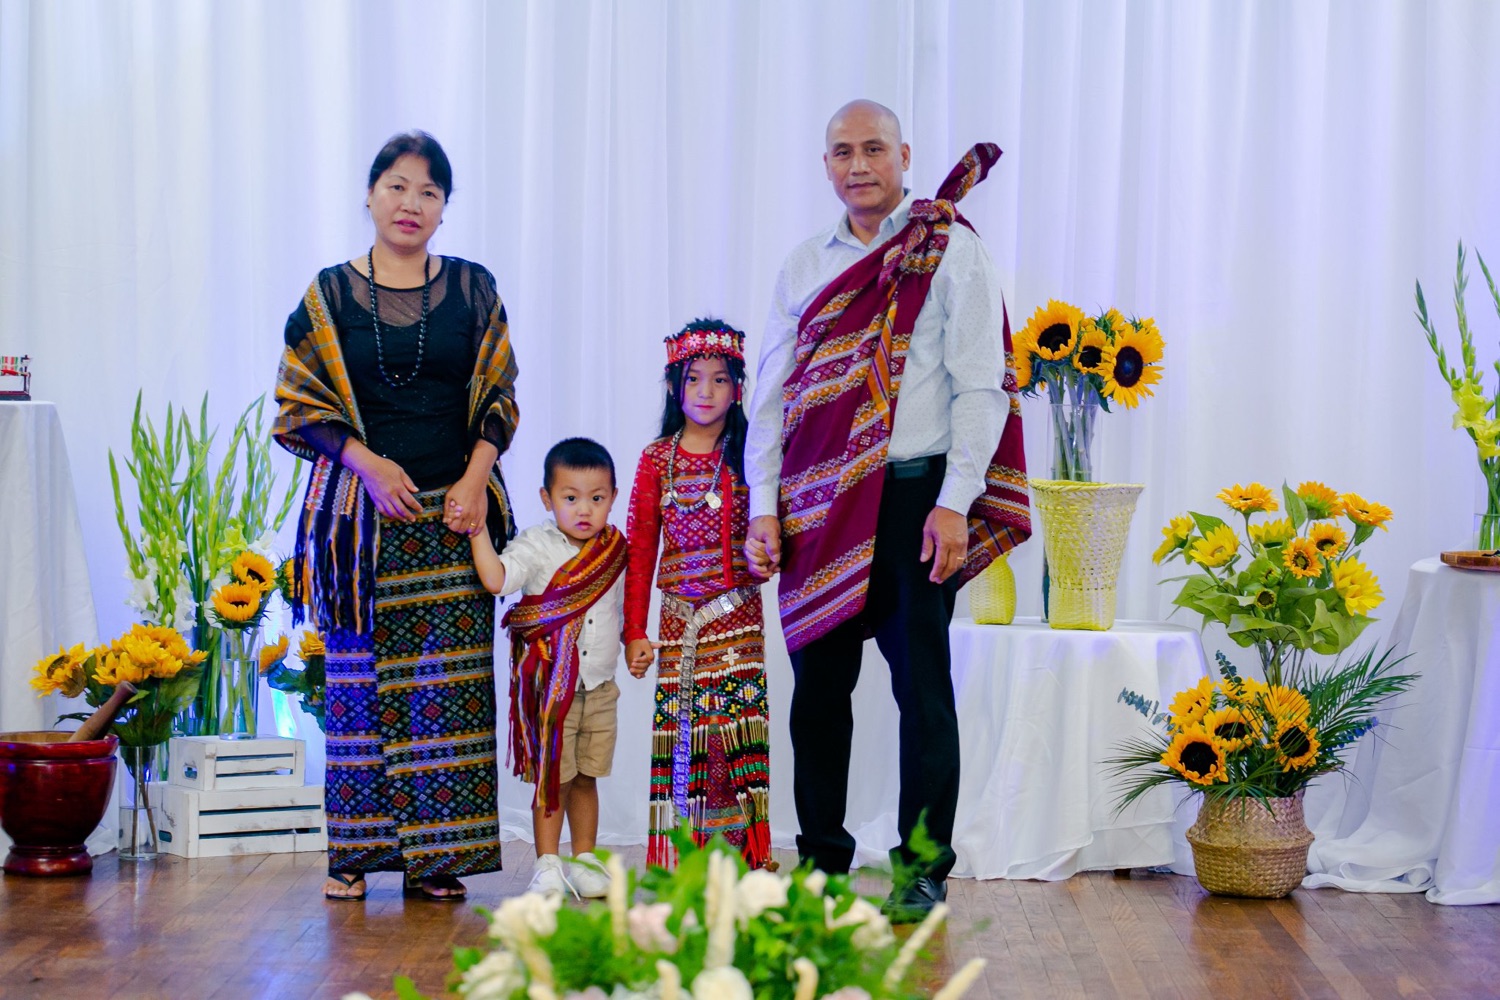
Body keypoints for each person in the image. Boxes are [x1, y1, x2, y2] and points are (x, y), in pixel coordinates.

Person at [743, 101, 1030, 920]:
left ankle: (923, 865)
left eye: (874, 149)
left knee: (924, 689)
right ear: (826, 165)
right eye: (843, 152)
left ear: (905, 155)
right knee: (817, 692)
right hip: (818, 500)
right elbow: (773, 393)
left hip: (914, 498)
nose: (859, 165)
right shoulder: (805, 265)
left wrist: (955, 503)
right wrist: (764, 505)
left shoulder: (949, 251)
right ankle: (821, 859)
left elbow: (981, 385)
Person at [274, 131, 517, 903]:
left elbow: (500, 396)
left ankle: (438, 860)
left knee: (447, 695)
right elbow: (298, 404)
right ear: (371, 194)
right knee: (358, 692)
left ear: (445, 208)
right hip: (360, 524)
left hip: (455, 520)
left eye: (429, 191)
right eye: (398, 186)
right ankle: (355, 853)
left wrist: (474, 483)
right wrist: (369, 466)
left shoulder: (474, 288)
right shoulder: (329, 295)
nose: (412, 203)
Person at [624, 319, 773, 870]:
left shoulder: (753, 453)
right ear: (674, 387)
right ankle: (684, 862)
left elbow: (773, 531)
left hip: (736, 617)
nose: (705, 391)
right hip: (675, 619)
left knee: (733, 736)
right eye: (693, 379)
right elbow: (641, 549)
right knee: (682, 734)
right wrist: (634, 630)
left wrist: (765, 557)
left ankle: (741, 860)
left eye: (720, 379)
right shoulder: (655, 460)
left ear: (737, 388)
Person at [471, 437, 626, 899]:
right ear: (547, 498)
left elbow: (623, 613)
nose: (585, 509)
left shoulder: (615, 549)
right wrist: (477, 530)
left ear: (613, 498)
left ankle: (585, 861)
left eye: (597, 498)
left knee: (586, 776)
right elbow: (497, 579)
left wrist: (636, 643)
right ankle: (548, 865)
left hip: (600, 686)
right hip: (550, 690)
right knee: (552, 779)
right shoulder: (537, 546)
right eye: (570, 497)